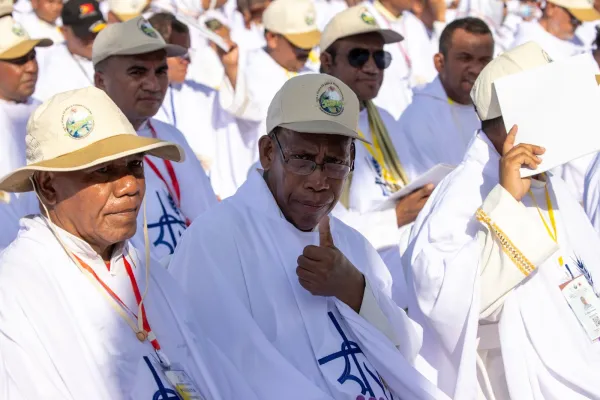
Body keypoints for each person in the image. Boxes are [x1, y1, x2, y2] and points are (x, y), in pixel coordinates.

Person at [169, 73, 448, 400]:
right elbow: (223, 370)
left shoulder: (351, 243)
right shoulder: (215, 239)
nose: (319, 181)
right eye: (303, 160)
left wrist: (356, 291)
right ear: (268, 152)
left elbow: (404, 349)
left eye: (335, 163)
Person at [0, 86, 261, 399]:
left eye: (135, 165)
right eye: (104, 170)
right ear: (47, 186)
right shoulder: (17, 289)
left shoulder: (142, 268)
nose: (129, 186)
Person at [403, 41, 600, 399]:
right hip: (513, 375)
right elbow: (441, 298)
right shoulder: (463, 190)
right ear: (518, 116)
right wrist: (506, 203)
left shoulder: (545, 173)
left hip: (580, 353)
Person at [319, 5, 433, 304]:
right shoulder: (313, 127)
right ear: (327, 62)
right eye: (359, 56)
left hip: (403, 282)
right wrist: (394, 218)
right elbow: (317, 227)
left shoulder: (386, 120)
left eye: (380, 57)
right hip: (351, 290)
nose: (372, 67)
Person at [92, 16, 217, 265]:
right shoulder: (87, 147)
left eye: (160, 71)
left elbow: (210, 224)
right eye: (137, 72)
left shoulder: (170, 135)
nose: (153, 84)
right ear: (100, 81)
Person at [150, 12, 250, 199]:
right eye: (179, 54)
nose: (187, 60)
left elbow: (240, 115)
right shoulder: (136, 98)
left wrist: (231, 68)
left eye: (188, 53)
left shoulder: (201, 95)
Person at [395, 17, 494, 178]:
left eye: (484, 61)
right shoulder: (418, 119)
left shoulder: (494, 110)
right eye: (465, 58)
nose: (476, 69)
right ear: (440, 62)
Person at [220, 0, 320, 143]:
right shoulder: (247, 68)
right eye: (299, 45)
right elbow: (244, 107)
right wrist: (232, 69)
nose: (307, 51)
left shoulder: (312, 71)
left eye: (310, 44)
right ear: (272, 38)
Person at [363, 0, 446, 119]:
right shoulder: (365, 17)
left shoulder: (414, 23)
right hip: (380, 115)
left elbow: (430, 72)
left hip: (417, 115)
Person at [34, 0, 106, 100]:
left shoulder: (118, 53)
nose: (93, 39)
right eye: (85, 34)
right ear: (64, 32)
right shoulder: (48, 65)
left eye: (98, 31)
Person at [512, 0, 599, 60]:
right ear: (551, 8)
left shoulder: (575, 39)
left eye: (581, 20)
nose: (579, 24)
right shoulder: (528, 47)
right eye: (574, 19)